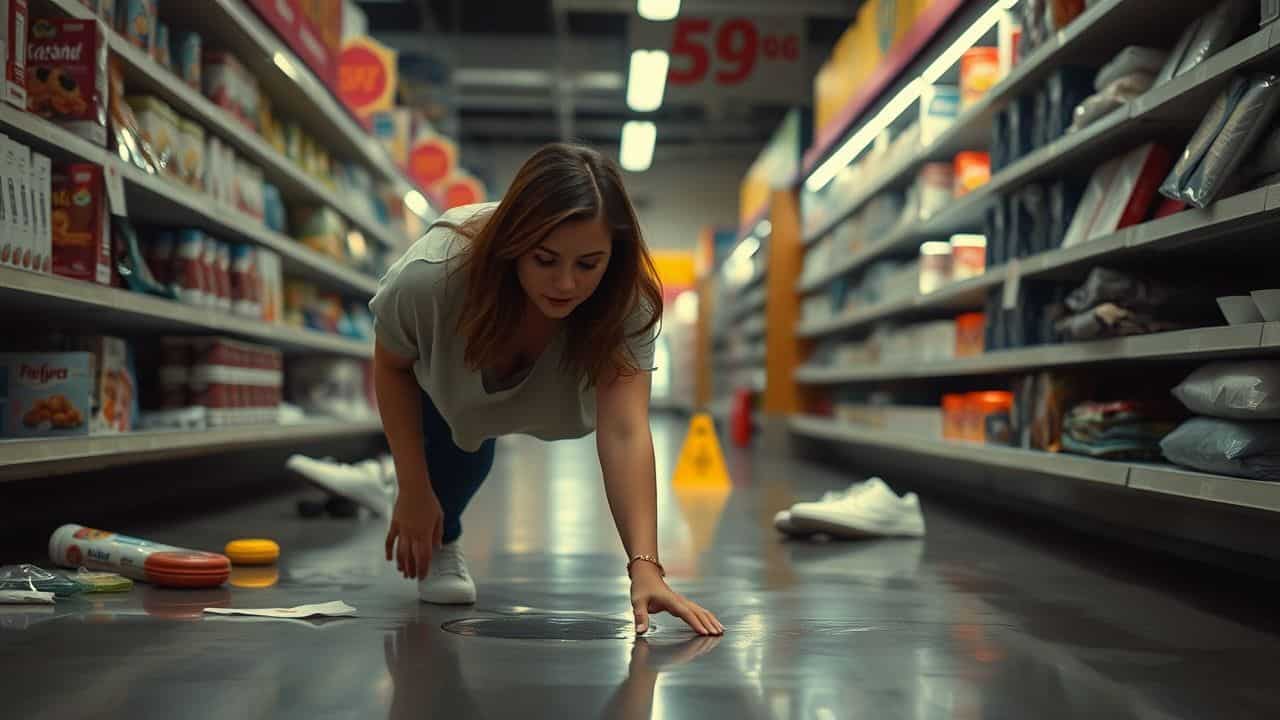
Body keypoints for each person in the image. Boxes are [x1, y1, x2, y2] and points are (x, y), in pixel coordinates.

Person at [370, 143, 724, 637]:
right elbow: (391, 367)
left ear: (613, 257)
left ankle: (385, 478)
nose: (564, 283)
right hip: (451, 391)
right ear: (514, 242)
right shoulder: (433, 277)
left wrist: (646, 565)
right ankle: (438, 526)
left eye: (588, 264)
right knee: (464, 450)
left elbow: (624, 430)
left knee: (473, 442)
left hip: (558, 400)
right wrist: (413, 489)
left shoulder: (628, 299)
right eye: (545, 259)